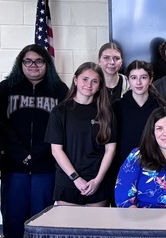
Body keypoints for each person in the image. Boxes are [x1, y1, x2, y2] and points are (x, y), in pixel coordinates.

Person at [0, 43, 67, 238]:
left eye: (39, 61)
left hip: (46, 165)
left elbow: (63, 127)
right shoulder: (6, 88)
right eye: (28, 61)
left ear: (47, 64)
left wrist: (39, 152)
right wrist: (19, 152)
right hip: (14, 166)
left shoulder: (59, 90)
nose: (33, 66)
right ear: (20, 64)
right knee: (13, 215)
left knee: (41, 214)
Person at [46, 62, 117, 206]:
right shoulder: (60, 112)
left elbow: (110, 149)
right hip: (68, 180)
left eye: (94, 81)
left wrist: (97, 180)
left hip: (97, 181)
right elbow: (56, 150)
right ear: (75, 80)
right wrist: (76, 178)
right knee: (67, 228)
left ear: (99, 86)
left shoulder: (106, 113)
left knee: (95, 228)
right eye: (85, 79)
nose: (89, 84)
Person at [110, 60, 166, 203]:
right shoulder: (117, 107)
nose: (139, 82)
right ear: (128, 79)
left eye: (143, 77)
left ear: (151, 79)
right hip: (123, 169)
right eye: (134, 77)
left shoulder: (161, 108)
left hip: (154, 170)